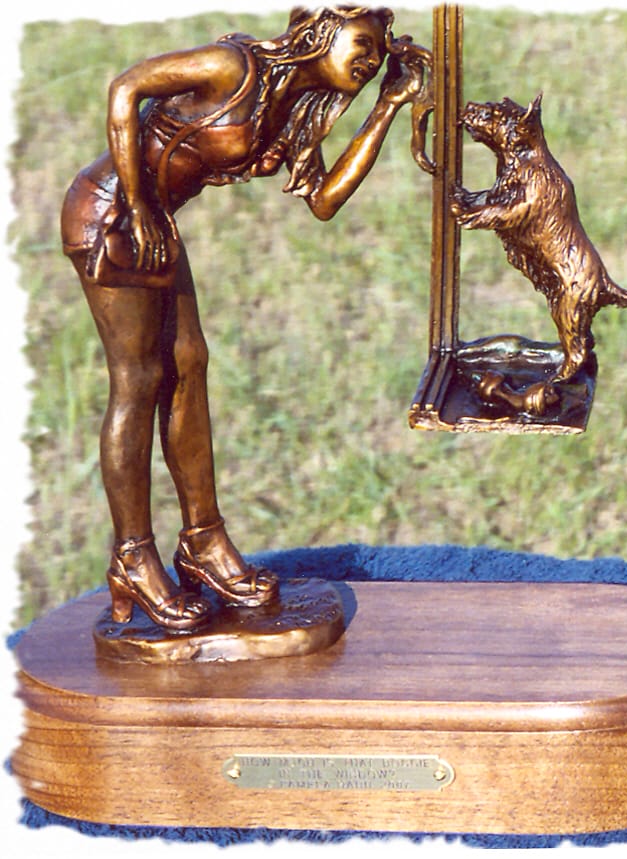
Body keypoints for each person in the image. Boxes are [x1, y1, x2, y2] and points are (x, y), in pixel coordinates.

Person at [60, 6, 429, 631]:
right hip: (111, 214)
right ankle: (132, 556)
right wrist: (139, 204)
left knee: (189, 365)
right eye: (363, 44)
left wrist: (388, 105)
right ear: (319, 33)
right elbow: (126, 88)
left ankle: (203, 542)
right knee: (138, 379)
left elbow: (324, 201)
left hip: (157, 221)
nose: (370, 60)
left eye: (378, 54)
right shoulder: (234, 67)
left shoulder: (295, 111)